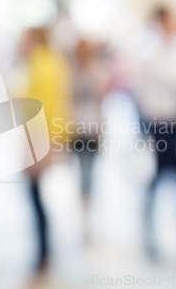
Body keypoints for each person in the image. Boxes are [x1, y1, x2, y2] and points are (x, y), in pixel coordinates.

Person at [131, 6, 176, 259]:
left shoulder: (175, 50)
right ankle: (150, 233)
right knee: (160, 178)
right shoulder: (154, 52)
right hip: (163, 126)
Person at [18, 28, 72, 284]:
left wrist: (49, 140)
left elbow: (45, 103)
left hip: (38, 136)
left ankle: (43, 252)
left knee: (35, 195)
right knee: (36, 194)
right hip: (42, 135)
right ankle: (43, 251)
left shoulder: (40, 62)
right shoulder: (53, 61)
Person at [71, 40, 109, 240]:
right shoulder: (71, 71)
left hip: (91, 128)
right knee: (82, 174)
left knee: (88, 175)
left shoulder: (97, 72)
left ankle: (88, 218)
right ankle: (83, 216)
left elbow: (101, 102)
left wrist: (101, 131)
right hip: (76, 128)